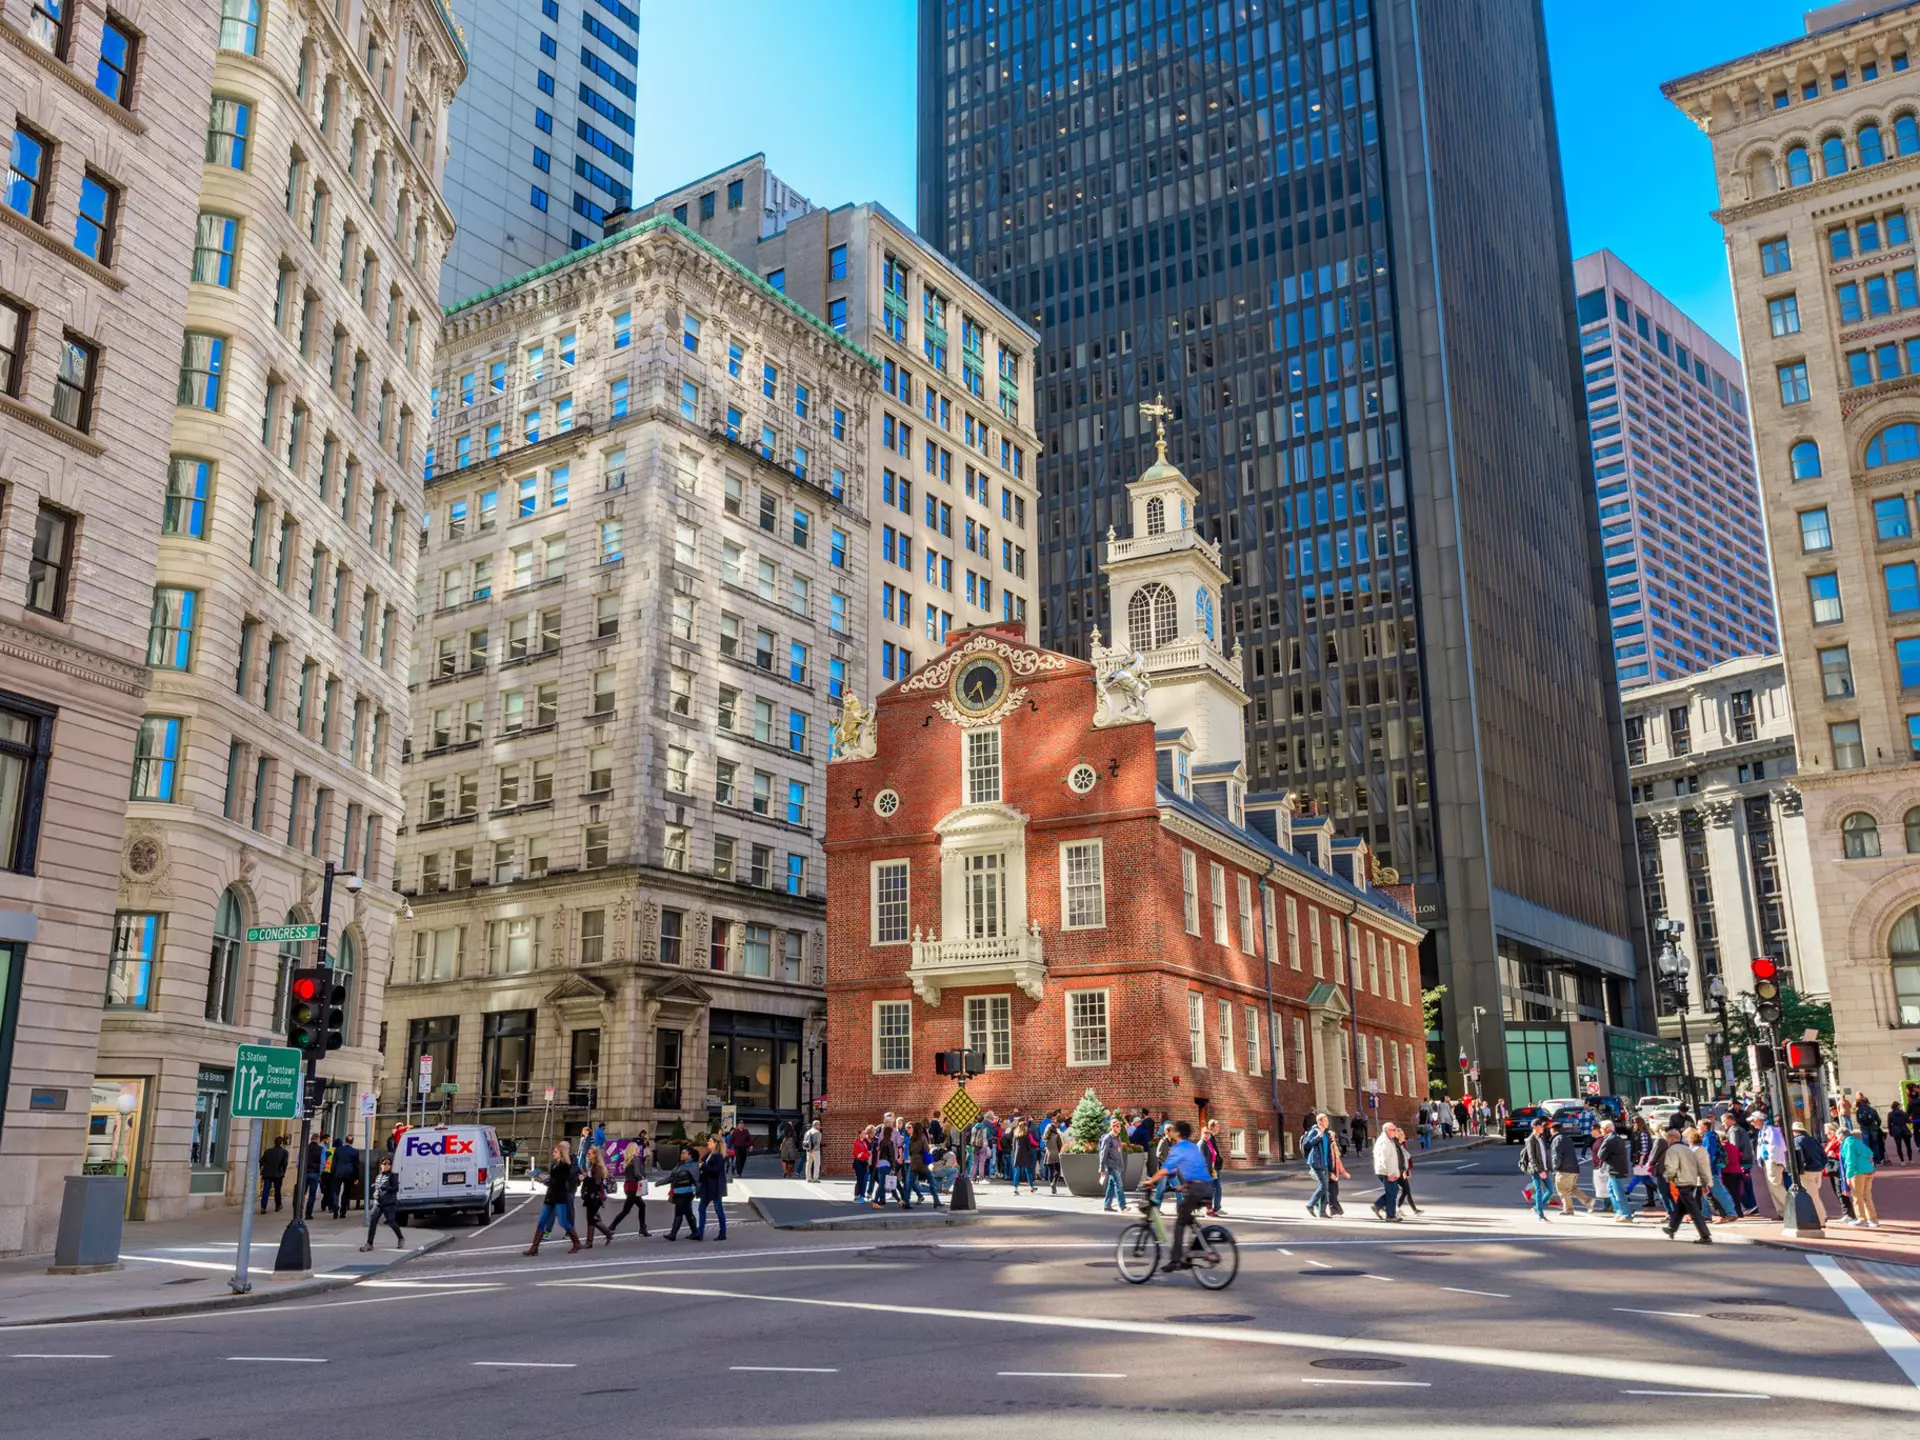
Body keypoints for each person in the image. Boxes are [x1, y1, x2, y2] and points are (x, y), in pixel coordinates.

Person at [1141, 1120, 1214, 1271]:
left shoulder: (1178, 1148)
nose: (1172, 1132)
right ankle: (1197, 1247)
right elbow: (1197, 1168)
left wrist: (1150, 1181)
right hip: (1206, 1187)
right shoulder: (1193, 1147)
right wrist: (1183, 1186)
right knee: (1187, 1216)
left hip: (1196, 1188)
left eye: (1174, 1130)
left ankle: (1176, 1260)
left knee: (1180, 1220)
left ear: (1178, 1133)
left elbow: (1166, 1169)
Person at [525, 1142, 581, 1256]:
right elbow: (552, 1181)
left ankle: (577, 1242)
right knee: (541, 1221)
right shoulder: (554, 1165)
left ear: (561, 1153)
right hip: (550, 1196)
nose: (553, 1153)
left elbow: (559, 1181)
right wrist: (543, 1178)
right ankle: (534, 1247)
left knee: (563, 1222)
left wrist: (545, 1179)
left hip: (560, 1197)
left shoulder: (565, 1166)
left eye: (555, 1152)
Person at [1662, 1127, 1714, 1243]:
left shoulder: (1672, 1150)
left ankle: (1705, 1235)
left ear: (1671, 1138)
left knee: (1693, 1210)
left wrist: (1667, 1177)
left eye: (1667, 1138)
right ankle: (1672, 1228)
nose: (1666, 1141)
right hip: (1692, 1181)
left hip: (1682, 1181)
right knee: (1681, 1207)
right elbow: (1699, 1166)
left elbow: (1671, 1167)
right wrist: (1705, 1182)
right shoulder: (1688, 1149)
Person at [359, 1157, 404, 1252]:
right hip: (378, 1202)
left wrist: (383, 1187)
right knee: (373, 1223)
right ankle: (369, 1243)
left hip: (388, 1203)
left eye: (388, 1163)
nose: (386, 1165)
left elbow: (395, 1189)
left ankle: (400, 1238)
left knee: (391, 1222)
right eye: (384, 1163)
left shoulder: (392, 1176)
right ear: (381, 1165)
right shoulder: (379, 1176)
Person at [1595, 1120, 1633, 1224]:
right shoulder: (1617, 1137)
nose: (1600, 1130)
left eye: (1601, 1128)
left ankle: (1626, 1215)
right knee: (1611, 1189)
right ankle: (1620, 1212)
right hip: (1617, 1168)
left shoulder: (1609, 1139)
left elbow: (1600, 1155)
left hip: (1614, 1169)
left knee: (1619, 1192)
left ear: (1607, 1129)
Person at [1549, 1117, 1589, 1215]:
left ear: (1552, 1129)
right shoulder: (1567, 1139)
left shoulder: (1556, 1140)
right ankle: (1588, 1201)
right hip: (1574, 1168)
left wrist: (1555, 1169)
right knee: (1571, 1188)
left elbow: (1556, 1156)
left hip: (1564, 1169)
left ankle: (1568, 1209)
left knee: (1561, 1188)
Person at [1841, 1125, 1879, 1227]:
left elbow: (1850, 1160)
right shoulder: (1858, 1141)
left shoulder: (1848, 1144)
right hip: (1868, 1170)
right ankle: (1873, 1219)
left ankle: (1862, 1219)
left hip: (1857, 1172)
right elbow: (1870, 1153)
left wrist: (1848, 1176)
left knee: (1857, 1196)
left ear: (1841, 1135)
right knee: (1867, 1196)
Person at [607, 1148, 650, 1237]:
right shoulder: (636, 1159)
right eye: (637, 1148)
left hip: (628, 1186)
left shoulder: (628, 1160)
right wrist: (643, 1179)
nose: (639, 1149)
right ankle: (642, 1228)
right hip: (633, 1186)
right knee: (641, 1206)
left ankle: (612, 1226)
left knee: (626, 1210)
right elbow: (637, 1173)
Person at [1519, 1116, 1554, 1221]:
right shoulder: (1530, 1140)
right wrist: (1540, 1171)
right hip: (1537, 1170)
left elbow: (1545, 1154)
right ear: (1534, 1127)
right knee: (1539, 1191)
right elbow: (1532, 1158)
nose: (1543, 1127)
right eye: (1540, 1126)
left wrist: (1548, 1167)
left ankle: (1537, 1207)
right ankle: (1540, 1215)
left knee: (1551, 1190)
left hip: (1545, 1168)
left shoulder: (1541, 1138)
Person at [696, 1135, 729, 1240]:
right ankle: (700, 1233)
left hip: (715, 1186)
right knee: (701, 1208)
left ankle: (722, 1233)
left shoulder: (718, 1156)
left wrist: (703, 1166)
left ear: (715, 1143)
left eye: (710, 1141)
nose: (708, 1143)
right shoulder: (709, 1154)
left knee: (718, 1210)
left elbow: (715, 1170)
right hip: (707, 1186)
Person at [664, 1145, 699, 1240]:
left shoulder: (693, 1165)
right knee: (688, 1213)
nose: (681, 1155)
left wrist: (697, 1192)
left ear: (690, 1155)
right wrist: (661, 1182)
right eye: (681, 1153)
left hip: (685, 1192)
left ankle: (673, 1234)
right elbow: (672, 1176)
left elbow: (696, 1180)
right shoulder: (681, 1164)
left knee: (678, 1213)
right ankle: (695, 1232)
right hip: (678, 1191)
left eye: (684, 1153)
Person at [1303, 1113, 1336, 1218]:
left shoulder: (1326, 1133)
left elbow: (1327, 1152)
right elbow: (1307, 1145)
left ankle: (1322, 1212)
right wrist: (1317, 1137)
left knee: (1325, 1188)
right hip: (1316, 1162)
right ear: (1320, 1121)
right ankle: (1310, 1204)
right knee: (1323, 1186)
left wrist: (1331, 1168)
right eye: (1326, 1121)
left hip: (1324, 1163)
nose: (1328, 1122)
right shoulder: (1315, 1131)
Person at [581, 1145, 613, 1246]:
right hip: (591, 1195)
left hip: (595, 1196)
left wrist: (585, 1178)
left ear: (595, 1155)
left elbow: (597, 1182)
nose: (587, 1155)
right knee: (592, 1218)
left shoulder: (598, 1167)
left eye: (589, 1154)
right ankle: (590, 1241)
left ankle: (606, 1233)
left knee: (591, 1218)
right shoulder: (592, 1165)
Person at [1370, 1125, 1403, 1221]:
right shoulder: (1384, 1142)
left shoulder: (1389, 1140)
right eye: (1393, 1130)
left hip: (1389, 1171)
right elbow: (1384, 1159)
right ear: (1387, 1131)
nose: (1395, 1131)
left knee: (1394, 1190)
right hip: (1386, 1172)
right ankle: (1390, 1215)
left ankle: (1378, 1205)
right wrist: (1390, 1174)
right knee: (1391, 1193)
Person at [328, 1134, 361, 1219]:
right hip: (349, 1173)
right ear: (352, 1142)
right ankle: (343, 1212)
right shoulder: (355, 1151)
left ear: (345, 1141)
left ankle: (335, 1205)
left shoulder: (338, 1150)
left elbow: (334, 1163)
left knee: (336, 1190)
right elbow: (356, 1165)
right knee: (346, 1192)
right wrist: (356, 1177)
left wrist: (332, 1173)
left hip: (338, 1172)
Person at [1099, 1117, 1128, 1211]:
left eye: (1120, 1126)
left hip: (1118, 1164)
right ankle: (1122, 1206)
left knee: (1111, 1185)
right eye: (1118, 1126)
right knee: (1119, 1184)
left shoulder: (1118, 1137)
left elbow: (1118, 1151)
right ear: (1113, 1127)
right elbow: (1103, 1153)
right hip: (1111, 1165)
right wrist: (1101, 1167)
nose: (1120, 1128)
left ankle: (1107, 1205)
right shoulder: (1108, 1138)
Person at [259, 1134, 289, 1213]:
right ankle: (278, 1205)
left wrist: (261, 1170)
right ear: (281, 1143)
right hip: (278, 1174)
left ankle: (263, 1207)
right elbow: (285, 1163)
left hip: (267, 1173)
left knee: (266, 1190)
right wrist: (283, 1172)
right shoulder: (284, 1152)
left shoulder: (268, 1151)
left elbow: (261, 1161)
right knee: (277, 1190)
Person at [1201, 1119, 1226, 1216]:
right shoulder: (1209, 1139)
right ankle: (1213, 1209)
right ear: (1211, 1127)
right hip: (1212, 1167)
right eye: (1217, 1126)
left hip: (1215, 1166)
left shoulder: (1213, 1138)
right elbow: (1209, 1154)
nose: (1219, 1128)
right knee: (1215, 1188)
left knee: (1215, 1188)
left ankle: (1215, 1208)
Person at [302, 1134, 325, 1219]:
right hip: (315, 1173)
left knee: (301, 1193)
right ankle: (308, 1214)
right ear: (318, 1140)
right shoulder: (321, 1149)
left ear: (311, 1139)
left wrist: (300, 1171)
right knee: (312, 1195)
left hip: (304, 1173)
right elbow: (323, 1162)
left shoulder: (304, 1148)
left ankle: (299, 1212)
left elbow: (298, 1161)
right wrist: (320, 1173)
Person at [1888, 1100, 1913, 1166]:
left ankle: (1902, 1161)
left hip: (1896, 1131)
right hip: (1905, 1130)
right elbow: (1909, 1121)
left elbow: (1889, 1124)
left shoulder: (1890, 1114)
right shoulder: (1904, 1113)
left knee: (1899, 1147)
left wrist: (1890, 1132)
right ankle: (1910, 1160)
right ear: (1899, 1106)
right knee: (1908, 1146)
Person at [1045, 1120, 1065, 1196]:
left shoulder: (1046, 1137)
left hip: (1048, 1155)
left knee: (1051, 1171)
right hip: (1056, 1154)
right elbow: (1060, 1146)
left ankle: (1051, 1184)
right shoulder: (1057, 1136)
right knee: (1058, 1171)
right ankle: (1054, 1182)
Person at [802, 1117, 823, 1182]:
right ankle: (815, 1178)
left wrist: (809, 1150)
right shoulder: (818, 1132)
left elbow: (805, 1141)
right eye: (819, 1125)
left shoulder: (807, 1132)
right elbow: (817, 1143)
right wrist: (813, 1149)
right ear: (816, 1125)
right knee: (817, 1164)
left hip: (808, 1150)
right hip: (815, 1151)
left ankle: (808, 1178)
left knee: (808, 1164)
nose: (820, 1126)